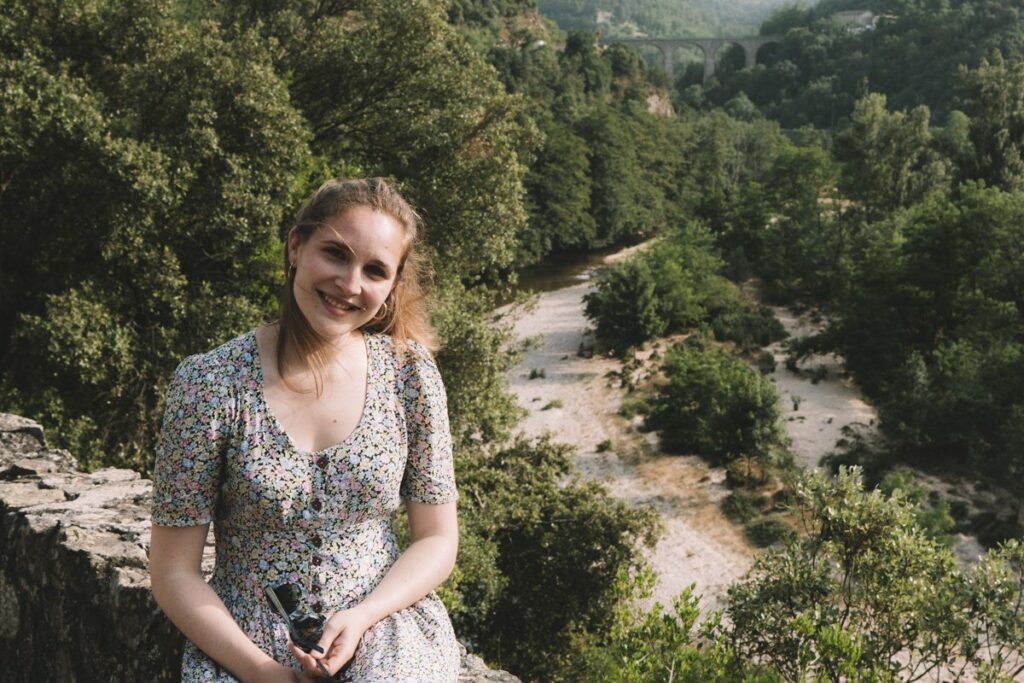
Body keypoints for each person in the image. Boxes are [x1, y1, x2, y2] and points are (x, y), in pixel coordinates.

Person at [149, 178, 461, 682]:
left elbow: (437, 539)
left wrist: (363, 617)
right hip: (244, 639)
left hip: (382, 626)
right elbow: (172, 572)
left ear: (391, 288)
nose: (350, 283)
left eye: (375, 271)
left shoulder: (410, 375)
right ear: (296, 246)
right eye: (335, 254)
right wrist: (261, 672)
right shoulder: (210, 384)